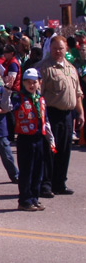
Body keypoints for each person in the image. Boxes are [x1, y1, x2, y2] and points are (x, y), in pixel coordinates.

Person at [37, 36, 85, 197]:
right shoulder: (44, 68)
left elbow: (77, 93)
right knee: (50, 151)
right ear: (50, 49)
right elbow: (38, 95)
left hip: (68, 115)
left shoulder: (71, 68)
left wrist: (80, 113)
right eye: (55, 48)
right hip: (51, 114)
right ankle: (46, 184)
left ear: (66, 49)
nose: (58, 51)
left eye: (61, 48)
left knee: (65, 150)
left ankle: (60, 183)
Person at [1, 69, 55, 211]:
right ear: (23, 83)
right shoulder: (19, 98)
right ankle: (25, 200)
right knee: (27, 170)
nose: (31, 85)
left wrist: (50, 138)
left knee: (38, 170)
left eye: (34, 82)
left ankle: (34, 198)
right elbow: (6, 108)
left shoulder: (40, 99)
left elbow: (45, 120)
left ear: (39, 83)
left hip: (39, 138)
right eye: (28, 82)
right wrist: (7, 91)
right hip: (26, 139)